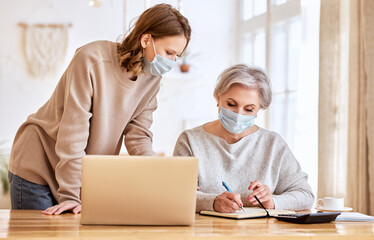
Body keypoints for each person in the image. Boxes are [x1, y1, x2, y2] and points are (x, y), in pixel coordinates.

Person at [8, 4, 191, 215]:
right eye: (169, 52)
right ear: (146, 39)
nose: (171, 62)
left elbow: (138, 135)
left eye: (176, 56)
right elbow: (73, 133)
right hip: (38, 164)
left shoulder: (152, 80)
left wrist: (155, 175)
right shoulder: (92, 59)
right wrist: (71, 196)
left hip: (73, 172)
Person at [173, 64, 314, 213]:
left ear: (259, 108)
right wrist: (212, 202)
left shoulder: (273, 144)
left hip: (261, 234)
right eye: (231, 104)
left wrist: (272, 201)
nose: (238, 114)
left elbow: (305, 195)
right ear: (218, 98)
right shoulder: (190, 140)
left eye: (249, 109)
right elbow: (175, 194)